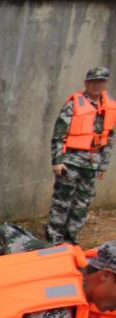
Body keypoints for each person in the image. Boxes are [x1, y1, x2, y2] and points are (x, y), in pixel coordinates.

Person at [45, 67, 116, 246]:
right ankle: (54, 238)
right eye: (93, 81)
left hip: (92, 164)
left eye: (100, 81)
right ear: (86, 83)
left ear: (105, 84)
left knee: (82, 202)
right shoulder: (74, 103)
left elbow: (109, 138)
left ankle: (71, 238)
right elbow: (58, 134)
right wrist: (57, 161)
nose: (96, 85)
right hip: (70, 162)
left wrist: (103, 165)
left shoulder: (109, 107)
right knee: (62, 200)